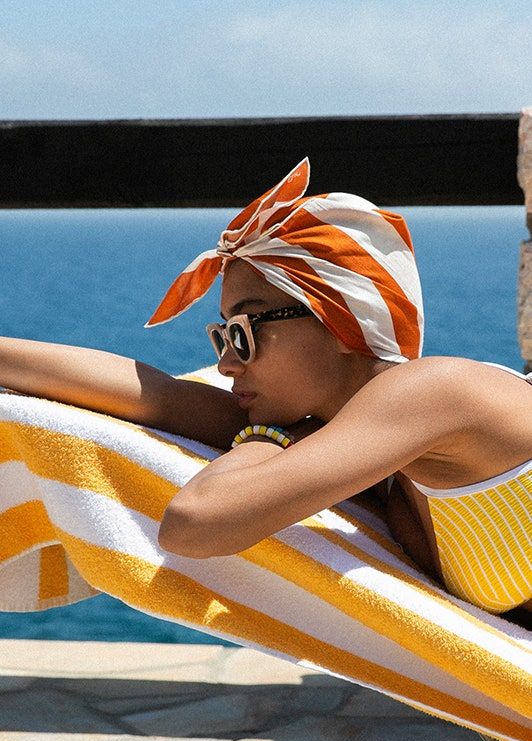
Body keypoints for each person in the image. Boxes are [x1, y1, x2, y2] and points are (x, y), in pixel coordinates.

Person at [1, 159, 530, 620]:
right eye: (222, 336)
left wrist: (266, 436)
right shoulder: (352, 432)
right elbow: (157, 397)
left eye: (246, 332)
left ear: (340, 322)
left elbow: (196, 524)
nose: (228, 364)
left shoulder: (434, 394)